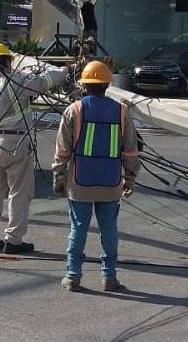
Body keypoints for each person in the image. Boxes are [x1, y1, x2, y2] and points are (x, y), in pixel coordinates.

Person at [0, 42, 70, 254]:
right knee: (19, 192)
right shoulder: (15, 82)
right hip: (15, 144)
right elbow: (44, 82)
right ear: (6, 62)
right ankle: (13, 240)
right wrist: (65, 71)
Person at [51, 60, 140, 292]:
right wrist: (130, 178)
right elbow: (130, 150)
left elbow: (62, 150)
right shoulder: (121, 112)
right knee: (109, 229)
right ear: (107, 85)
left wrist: (58, 176)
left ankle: (72, 276)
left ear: (84, 85)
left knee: (78, 228)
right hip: (111, 183)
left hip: (80, 182)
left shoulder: (75, 110)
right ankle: (109, 278)